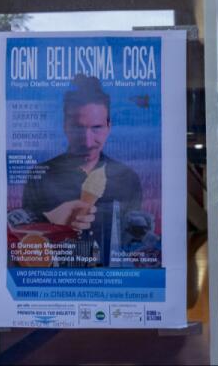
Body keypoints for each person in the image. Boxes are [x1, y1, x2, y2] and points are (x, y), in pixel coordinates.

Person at [22, 74, 142, 266]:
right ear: (65, 126)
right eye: (78, 128)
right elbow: (23, 243)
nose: (87, 141)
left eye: (96, 127)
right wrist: (50, 223)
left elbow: (134, 246)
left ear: (109, 127)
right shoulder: (40, 176)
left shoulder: (128, 179)